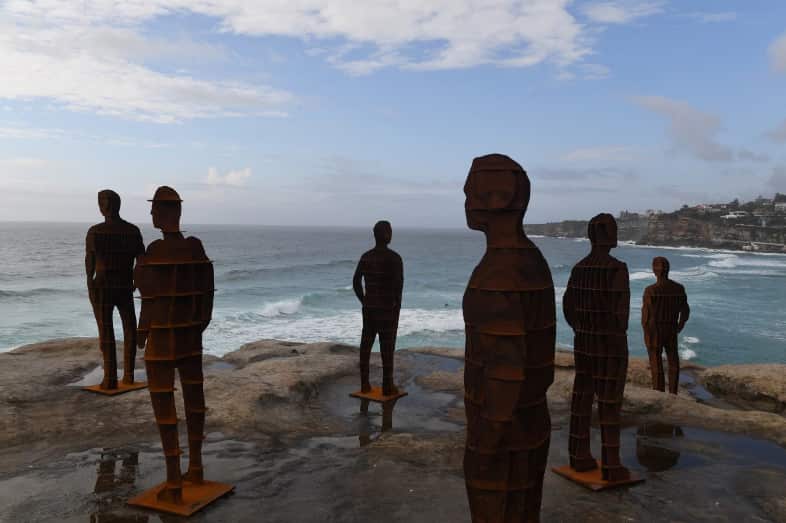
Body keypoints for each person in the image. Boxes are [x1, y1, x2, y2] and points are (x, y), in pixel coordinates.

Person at [462, 154, 556, 522]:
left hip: (504, 432)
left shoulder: (499, 272)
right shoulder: (532, 258)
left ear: (496, 199)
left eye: (470, 193)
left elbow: (507, 369)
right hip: (531, 422)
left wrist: (486, 441)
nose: (466, 203)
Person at [135, 186, 214, 504]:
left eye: (155, 209)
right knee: (195, 403)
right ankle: (195, 467)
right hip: (191, 339)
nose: (151, 214)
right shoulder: (196, 248)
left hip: (163, 341)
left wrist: (140, 338)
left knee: (166, 412)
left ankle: (174, 482)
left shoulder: (153, 252)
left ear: (168, 213)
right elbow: (207, 296)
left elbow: (149, 302)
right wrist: (197, 327)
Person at [563, 213, 631, 482]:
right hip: (610, 344)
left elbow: (568, 306)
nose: (616, 234)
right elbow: (621, 316)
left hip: (583, 341)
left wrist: (581, 328)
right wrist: (612, 336)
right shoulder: (617, 269)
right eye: (613, 229)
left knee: (581, 399)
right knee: (609, 403)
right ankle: (611, 463)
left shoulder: (579, 268)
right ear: (605, 235)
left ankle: (578, 456)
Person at [85, 190, 145, 389]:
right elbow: (141, 260)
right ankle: (128, 376)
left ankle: (110, 379)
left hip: (103, 286)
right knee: (129, 328)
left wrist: (90, 285)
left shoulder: (95, 232)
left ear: (103, 207)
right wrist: (137, 279)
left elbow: (89, 264)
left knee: (107, 332)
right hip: (125, 285)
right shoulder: (132, 231)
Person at [352, 220, 404, 396]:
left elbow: (356, 282)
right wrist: (396, 310)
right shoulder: (395, 259)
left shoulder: (366, 257)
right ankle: (387, 385)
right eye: (390, 231)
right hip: (387, 309)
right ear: (387, 235)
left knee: (366, 345)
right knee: (387, 347)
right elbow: (398, 289)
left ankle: (364, 384)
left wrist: (364, 300)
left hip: (369, 308)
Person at [642, 256, 690, 394]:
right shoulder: (678, 288)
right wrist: (679, 327)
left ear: (655, 270)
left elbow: (646, 316)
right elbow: (685, 311)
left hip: (656, 330)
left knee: (656, 361)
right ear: (667, 270)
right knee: (673, 361)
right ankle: (673, 391)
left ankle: (659, 392)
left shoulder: (651, 290)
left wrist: (647, 334)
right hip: (671, 329)